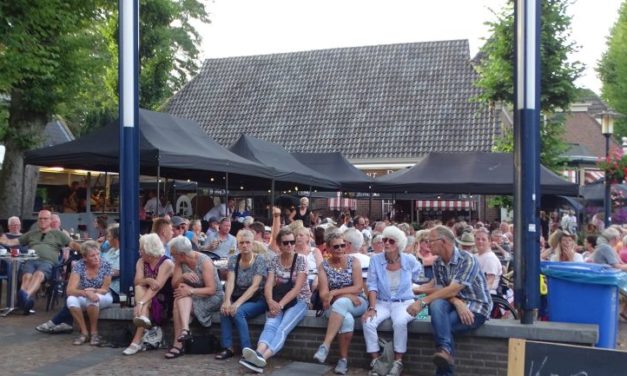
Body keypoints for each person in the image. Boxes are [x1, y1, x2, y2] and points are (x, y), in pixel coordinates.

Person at [408, 226, 491, 376]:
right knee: (438, 305)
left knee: (442, 325)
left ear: (443, 242)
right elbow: (443, 291)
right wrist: (457, 302)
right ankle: (445, 351)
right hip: (454, 304)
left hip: (476, 307)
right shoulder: (437, 263)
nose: (427, 245)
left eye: (430, 241)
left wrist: (422, 301)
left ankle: (444, 367)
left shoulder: (467, 259)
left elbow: (452, 289)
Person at [239, 227, 311, 374]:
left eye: (292, 242)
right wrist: (270, 301)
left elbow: (297, 289)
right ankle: (257, 354)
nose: (290, 245)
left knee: (282, 328)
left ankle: (262, 359)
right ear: (279, 245)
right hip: (278, 300)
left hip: (299, 300)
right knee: (270, 325)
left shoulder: (301, 260)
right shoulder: (274, 260)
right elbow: (268, 284)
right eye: (286, 243)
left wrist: (279, 305)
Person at [36, 224, 120, 335]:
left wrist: (96, 274)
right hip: (95, 283)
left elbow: (116, 271)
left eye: (109, 236)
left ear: (116, 238)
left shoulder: (122, 253)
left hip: (111, 288)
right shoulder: (109, 250)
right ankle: (68, 323)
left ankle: (58, 322)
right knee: (72, 290)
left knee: (82, 295)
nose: (107, 239)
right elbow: (96, 258)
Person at [361, 225, 423, 376]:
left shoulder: (410, 260)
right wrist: (372, 307)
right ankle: (376, 361)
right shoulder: (375, 260)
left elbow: (417, 276)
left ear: (399, 244)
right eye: (384, 240)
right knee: (368, 322)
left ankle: (398, 362)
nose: (387, 243)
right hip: (382, 302)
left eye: (391, 241)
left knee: (400, 322)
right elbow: (372, 285)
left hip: (405, 302)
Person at [0, 210, 80, 314]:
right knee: (26, 276)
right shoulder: (31, 234)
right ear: (37, 220)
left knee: (38, 274)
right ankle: (25, 301)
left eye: (45, 218)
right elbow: (11, 242)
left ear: (50, 220)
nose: (42, 221)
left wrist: (85, 248)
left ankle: (24, 296)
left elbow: (72, 244)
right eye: (40, 218)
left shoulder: (58, 234)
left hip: (47, 262)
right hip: (31, 260)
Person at [312, 231, 367, 375]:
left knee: (341, 303)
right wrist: (345, 294)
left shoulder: (354, 261)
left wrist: (335, 293)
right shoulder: (324, 266)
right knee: (346, 318)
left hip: (358, 302)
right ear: (328, 249)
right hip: (335, 304)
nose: (340, 249)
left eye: (343, 245)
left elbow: (358, 287)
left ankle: (325, 345)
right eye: (336, 247)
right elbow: (324, 294)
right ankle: (343, 361)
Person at [166, 236, 223, 359]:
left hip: (212, 297)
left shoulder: (204, 261)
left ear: (181, 254)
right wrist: (183, 277)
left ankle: (178, 345)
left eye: (173, 254)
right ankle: (185, 330)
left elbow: (211, 290)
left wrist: (190, 291)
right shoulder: (179, 262)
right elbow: (174, 284)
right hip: (193, 296)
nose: (171, 256)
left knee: (180, 299)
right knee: (180, 295)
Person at [216, 230, 268, 360]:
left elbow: (255, 286)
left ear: (252, 244)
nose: (244, 245)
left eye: (247, 242)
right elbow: (230, 281)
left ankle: (247, 350)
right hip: (238, 296)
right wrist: (227, 300)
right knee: (224, 310)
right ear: (238, 245)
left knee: (238, 312)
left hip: (257, 299)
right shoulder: (234, 259)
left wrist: (237, 304)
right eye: (241, 243)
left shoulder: (259, 260)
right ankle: (228, 347)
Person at [123, 233, 174, 355]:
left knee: (143, 293)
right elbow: (137, 281)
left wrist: (140, 304)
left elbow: (156, 287)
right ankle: (143, 321)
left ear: (149, 250)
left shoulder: (167, 263)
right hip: (147, 296)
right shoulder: (141, 261)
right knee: (139, 286)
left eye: (141, 249)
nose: (140, 251)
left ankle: (136, 340)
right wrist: (147, 280)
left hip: (163, 299)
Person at [66, 240, 113, 346]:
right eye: (92, 256)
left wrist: (93, 291)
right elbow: (70, 290)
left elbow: (105, 289)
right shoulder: (79, 265)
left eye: (98, 254)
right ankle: (84, 332)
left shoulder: (106, 265)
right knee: (71, 300)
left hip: (103, 295)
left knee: (92, 299)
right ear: (85, 258)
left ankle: (94, 333)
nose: (97, 257)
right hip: (85, 294)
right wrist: (86, 293)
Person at [473, 228, 502, 293]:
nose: (480, 241)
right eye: (478, 239)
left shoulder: (490, 258)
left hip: (487, 295)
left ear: (489, 241)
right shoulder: (474, 256)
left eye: (483, 239)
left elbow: (489, 283)